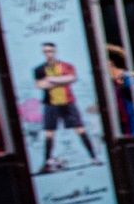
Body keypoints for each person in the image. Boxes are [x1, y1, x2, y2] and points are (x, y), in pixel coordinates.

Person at [33, 42, 97, 171]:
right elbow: (40, 85)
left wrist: (51, 79)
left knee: (80, 129)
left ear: (55, 51)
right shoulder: (39, 69)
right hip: (51, 104)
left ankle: (93, 157)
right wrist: (61, 80)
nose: (49, 54)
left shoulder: (66, 65)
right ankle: (47, 162)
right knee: (49, 133)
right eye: (46, 51)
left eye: (51, 51)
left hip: (68, 102)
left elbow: (71, 78)